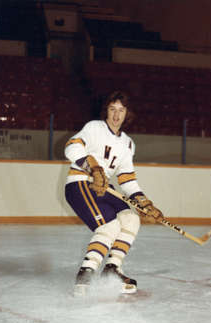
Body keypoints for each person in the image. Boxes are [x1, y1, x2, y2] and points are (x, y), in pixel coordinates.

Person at [64, 90, 163, 296]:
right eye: (112, 109)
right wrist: (93, 167)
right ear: (106, 111)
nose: (116, 115)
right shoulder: (94, 128)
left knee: (131, 218)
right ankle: (86, 274)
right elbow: (71, 148)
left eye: (121, 110)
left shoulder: (128, 143)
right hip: (81, 183)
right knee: (109, 225)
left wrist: (143, 202)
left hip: (104, 189)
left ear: (127, 113)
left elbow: (127, 179)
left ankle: (112, 269)